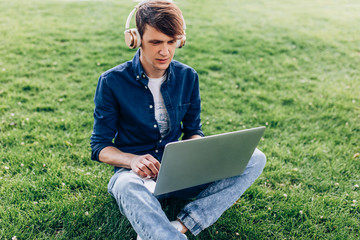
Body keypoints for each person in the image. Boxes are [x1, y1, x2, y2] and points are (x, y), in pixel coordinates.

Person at [90, 0, 266, 239]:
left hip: (179, 173)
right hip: (136, 178)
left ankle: (182, 224)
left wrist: (193, 149)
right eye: (156, 42)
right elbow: (100, 146)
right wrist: (132, 161)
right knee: (123, 186)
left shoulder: (188, 77)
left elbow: (194, 130)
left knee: (254, 158)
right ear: (136, 38)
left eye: (172, 42)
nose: (165, 51)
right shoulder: (112, 81)